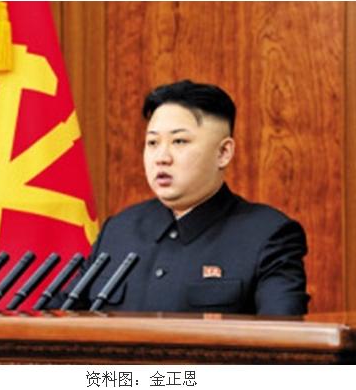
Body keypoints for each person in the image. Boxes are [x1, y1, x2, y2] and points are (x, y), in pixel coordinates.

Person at [51, 79, 309, 315]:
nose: (162, 157)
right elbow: (62, 322)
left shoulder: (267, 236)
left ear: (223, 153)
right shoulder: (118, 230)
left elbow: (282, 340)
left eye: (179, 142)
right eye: (153, 143)